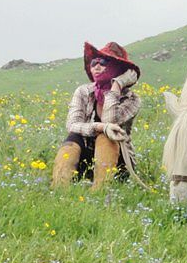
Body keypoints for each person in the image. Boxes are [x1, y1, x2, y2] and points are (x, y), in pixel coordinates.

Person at [51, 41, 141, 190]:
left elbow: (111, 121)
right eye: (93, 63)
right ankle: (59, 189)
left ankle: (100, 190)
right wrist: (99, 126)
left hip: (117, 162)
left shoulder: (131, 99)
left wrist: (117, 85)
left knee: (107, 136)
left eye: (104, 62)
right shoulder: (83, 91)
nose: (96, 67)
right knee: (72, 139)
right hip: (85, 157)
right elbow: (72, 124)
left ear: (117, 68)